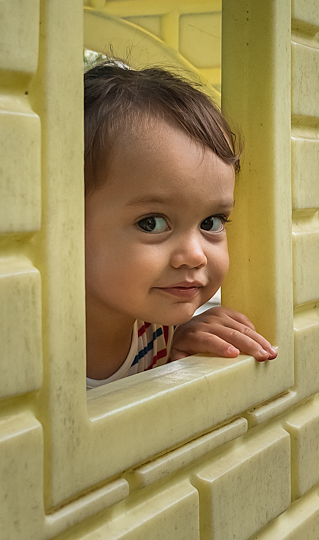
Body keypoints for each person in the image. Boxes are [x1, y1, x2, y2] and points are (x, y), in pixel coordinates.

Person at [83, 60, 277, 387]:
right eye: (152, 223)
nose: (194, 255)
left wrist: (180, 346)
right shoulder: (32, 356)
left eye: (211, 222)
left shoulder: (160, 334)